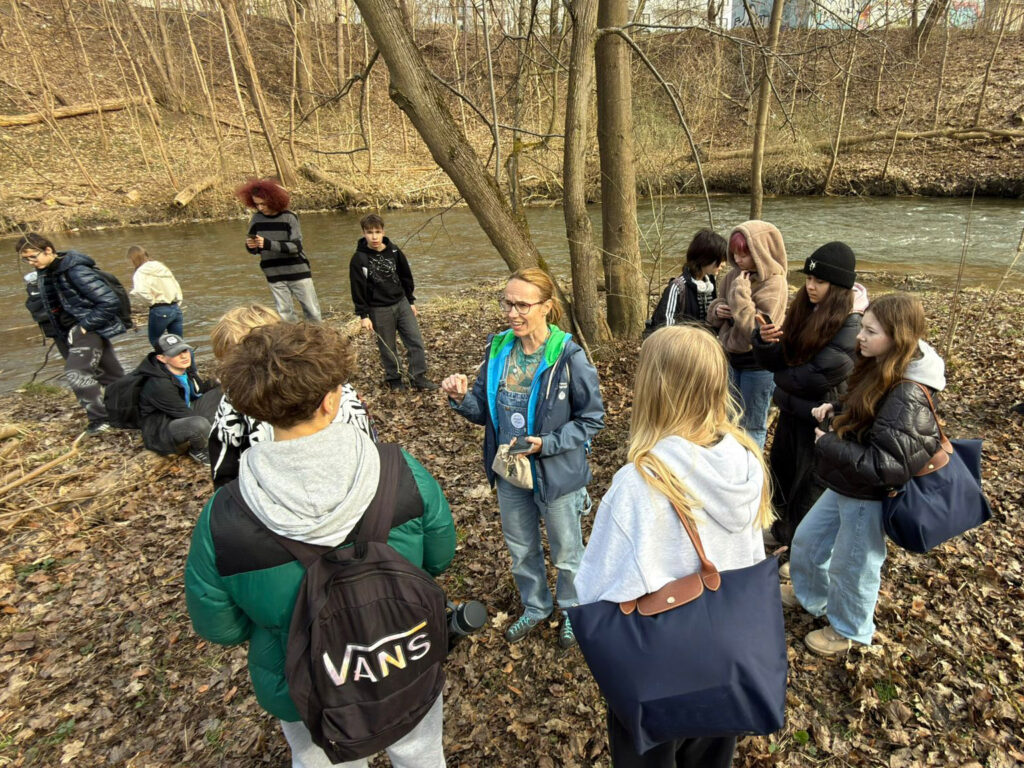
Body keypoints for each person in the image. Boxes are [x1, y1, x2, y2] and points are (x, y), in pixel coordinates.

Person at [185, 322, 455, 768]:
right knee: (420, 752)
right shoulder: (400, 470)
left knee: (321, 760)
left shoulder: (224, 515)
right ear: (332, 401)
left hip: (305, 685)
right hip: (404, 661)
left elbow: (221, 627)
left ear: (256, 409)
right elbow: (440, 556)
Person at [574, 325, 773, 768]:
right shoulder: (746, 458)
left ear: (654, 387)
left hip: (659, 671)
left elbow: (594, 590)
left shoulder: (640, 483)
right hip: (729, 660)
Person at [441, 268, 605, 649]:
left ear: (547, 307)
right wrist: (460, 397)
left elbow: (592, 419)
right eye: (507, 303)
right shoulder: (498, 348)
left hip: (557, 472)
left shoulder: (568, 356)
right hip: (511, 470)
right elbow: (483, 409)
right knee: (521, 548)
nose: (512, 313)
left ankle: (572, 609)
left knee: (567, 552)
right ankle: (536, 606)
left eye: (522, 305)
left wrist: (546, 444)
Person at [782, 293, 945, 656]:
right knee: (808, 541)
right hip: (847, 482)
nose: (860, 336)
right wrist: (837, 408)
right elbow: (870, 411)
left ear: (898, 337)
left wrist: (827, 444)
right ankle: (813, 597)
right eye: (863, 327)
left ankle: (850, 630)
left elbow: (886, 464)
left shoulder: (909, 394)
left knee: (853, 565)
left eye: (871, 331)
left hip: (868, 494)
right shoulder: (882, 365)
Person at [751, 241, 868, 547]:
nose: (811, 287)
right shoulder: (805, 309)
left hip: (820, 418)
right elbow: (780, 358)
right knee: (783, 474)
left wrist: (780, 376)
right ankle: (783, 533)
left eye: (820, 281)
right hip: (792, 412)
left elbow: (814, 378)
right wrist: (764, 341)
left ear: (839, 286)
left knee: (809, 485)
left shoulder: (851, 322)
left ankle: (802, 549)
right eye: (809, 279)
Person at [207, 304, 375, 488]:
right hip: (266, 493)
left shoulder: (333, 388)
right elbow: (224, 458)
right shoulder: (233, 402)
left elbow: (365, 436)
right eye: (234, 361)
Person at [16, 233, 125, 434]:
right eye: (26, 259)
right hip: (65, 332)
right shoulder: (45, 271)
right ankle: (129, 411)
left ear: (48, 250)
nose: (31, 262)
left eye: (33, 257)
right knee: (112, 374)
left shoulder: (76, 270)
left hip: (87, 327)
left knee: (77, 373)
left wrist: (84, 327)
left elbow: (109, 302)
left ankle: (100, 420)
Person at [706, 220, 788, 449]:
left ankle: (752, 473)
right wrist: (717, 309)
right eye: (734, 254)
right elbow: (716, 310)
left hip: (757, 364)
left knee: (752, 424)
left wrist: (740, 293)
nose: (738, 260)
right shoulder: (734, 275)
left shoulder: (775, 282)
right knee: (729, 419)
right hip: (730, 358)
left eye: (744, 254)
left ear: (760, 252)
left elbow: (756, 327)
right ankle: (731, 465)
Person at [350, 213, 437, 391]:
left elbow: (406, 276)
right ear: (363, 233)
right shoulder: (359, 259)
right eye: (369, 232)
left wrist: (410, 301)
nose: (374, 236)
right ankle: (394, 379)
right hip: (378, 309)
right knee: (387, 346)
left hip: (401, 303)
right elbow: (357, 288)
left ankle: (418, 376)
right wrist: (363, 315)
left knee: (415, 340)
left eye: (377, 231)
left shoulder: (395, 251)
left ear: (383, 232)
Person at [236, 177, 322, 323]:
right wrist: (251, 246)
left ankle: (320, 341)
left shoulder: (289, 218)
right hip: (273, 274)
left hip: (298, 272)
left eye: (263, 204)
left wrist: (268, 244)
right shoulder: (256, 219)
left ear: (274, 200)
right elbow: (255, 247)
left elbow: (296, 247)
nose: (260, 208)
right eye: (257, 205)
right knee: (285, 315)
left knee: (312, 312)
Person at [137, 333, 221, 466]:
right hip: (163, 428)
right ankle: (199, 450)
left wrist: (215, 382)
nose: (183, 356)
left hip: (183, 410)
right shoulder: (159, 385)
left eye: (184, 350)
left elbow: (197, 393)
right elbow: (183, 413)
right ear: (162, 358)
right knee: (199, 424)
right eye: (176, 353)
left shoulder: (184, 370)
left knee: (220, 390)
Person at [644, 228, 727, 337]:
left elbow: (709, 322)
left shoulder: (710, 283)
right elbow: (665, 327)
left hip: (704, 345)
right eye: (720, 260)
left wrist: (717, 313)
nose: (723, 264)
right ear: (706, 258)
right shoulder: (678, 287)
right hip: (682, 348)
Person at [126, 245, 184, 346]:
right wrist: (178, 302)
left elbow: (140, 291)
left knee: (156, 341)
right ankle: (189, 361)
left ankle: (162, 361)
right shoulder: (161, 266)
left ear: (133, 259)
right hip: (175, 308)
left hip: (159, 309)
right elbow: (175, 285)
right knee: (179, 343)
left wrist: (151, 303)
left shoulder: (140, 272)